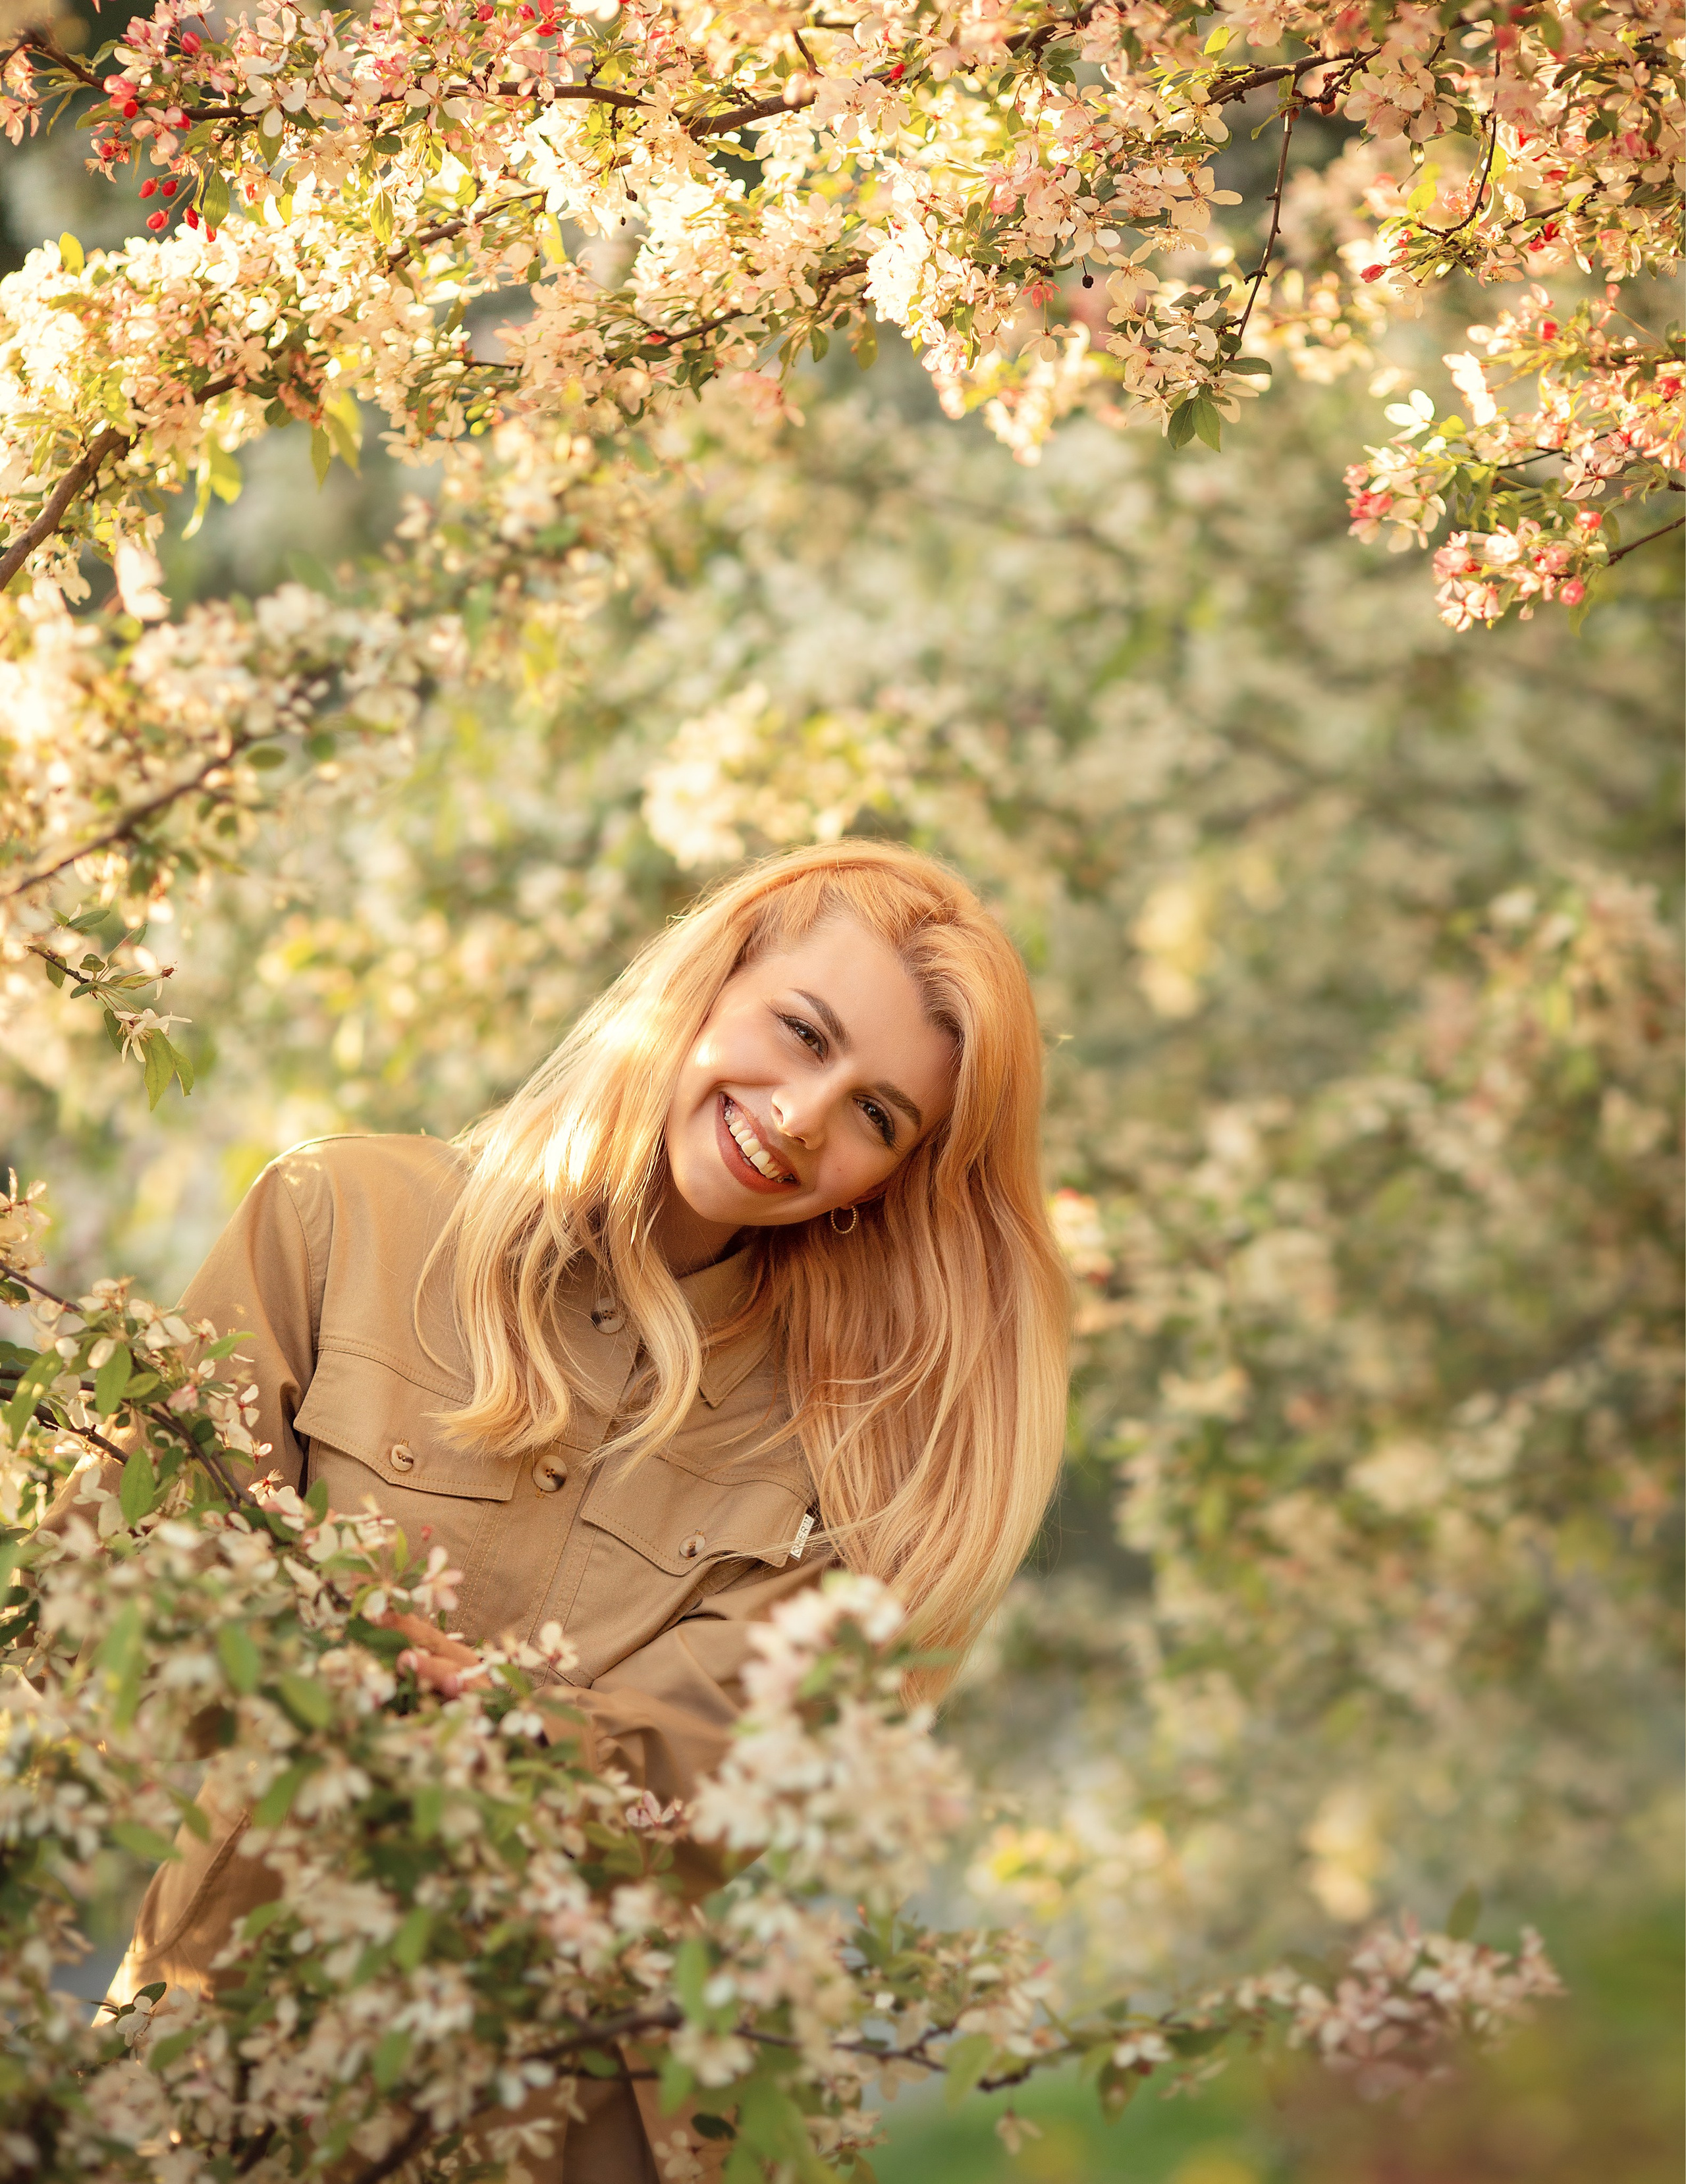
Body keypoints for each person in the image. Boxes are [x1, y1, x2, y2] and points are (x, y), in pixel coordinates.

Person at [103, 839, 1072, 2179]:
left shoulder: (850, 1454)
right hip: (217, 2053)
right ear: (706, 978)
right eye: (800, 1034)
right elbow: (142, 1592)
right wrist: (337, 1678)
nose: (800, 1117)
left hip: (567, 2122)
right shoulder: (339, 1219)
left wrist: (508, 1737)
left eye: (876, 1116)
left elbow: (698, 1790)